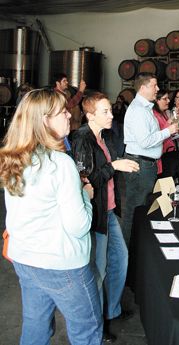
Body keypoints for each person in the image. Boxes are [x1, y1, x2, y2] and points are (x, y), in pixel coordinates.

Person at [0, 89, 103, 344]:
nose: (70, 114)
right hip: (62, 266)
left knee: (36, 327)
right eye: (62, 112)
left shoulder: (14, 157)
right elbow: (79, 227)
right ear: (44, 120)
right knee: (87, 331)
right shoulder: (60, 163)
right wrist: (86, 197)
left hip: (25, 259)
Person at [71, 92, 139, 343]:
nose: (111, 115)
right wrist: (115, 166)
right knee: (98, 271)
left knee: (120, 259)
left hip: (109, 209)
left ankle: (111, 311)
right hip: (96, 213)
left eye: (110, 110)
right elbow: (86, 181)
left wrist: (119, 163)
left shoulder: (104, 136)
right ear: (90, 115)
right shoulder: (81, 139)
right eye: (105, 112)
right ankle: (97, 325)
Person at [123, 72, 178, 246]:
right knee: (135, 209)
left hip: (145, 164)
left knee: (140, 207)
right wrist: (168, 132)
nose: (158, 89)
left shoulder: (146, 109)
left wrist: (166, 130)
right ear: (143, 87)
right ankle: (128, 250)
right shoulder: (139, 110)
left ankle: (134, 247)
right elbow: (145, 141)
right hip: (140, 165)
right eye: (154, 85)